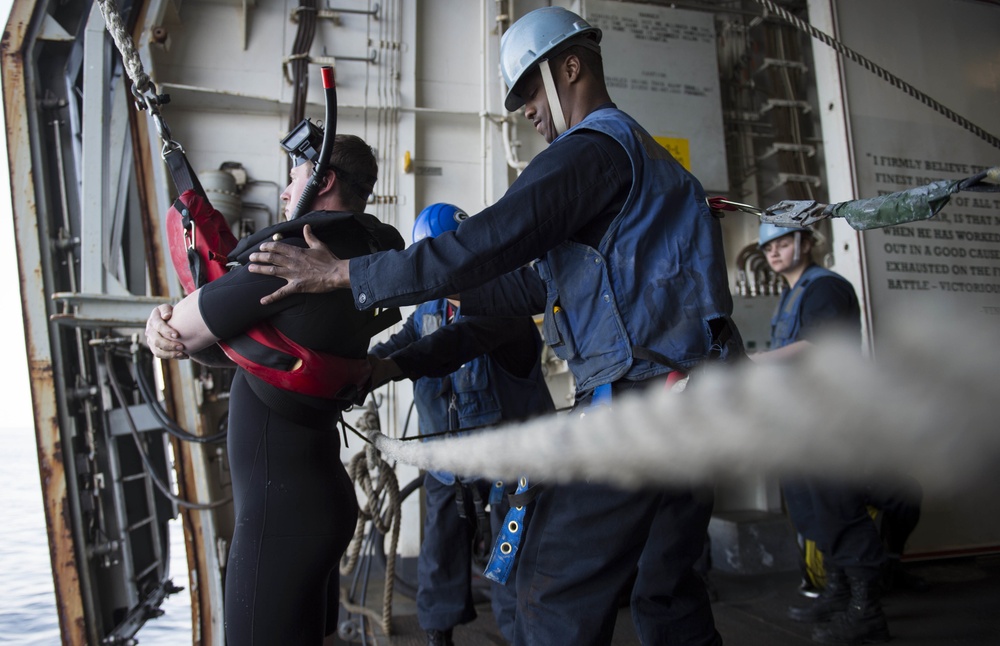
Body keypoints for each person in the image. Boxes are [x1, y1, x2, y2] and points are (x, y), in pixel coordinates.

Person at [242, 7, 743, 645]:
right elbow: (523, 289)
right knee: (665, 589)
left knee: (546, 582)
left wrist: (347, 274)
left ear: (571, 65)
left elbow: (487, 243)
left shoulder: (592, 151)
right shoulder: (639, 163)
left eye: (530, 89)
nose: (526, 110)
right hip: (696, 396)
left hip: (645, 398)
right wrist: (399, 354)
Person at [145, 127, 404, 645]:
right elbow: (258, 353)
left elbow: (185, 332)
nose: (286, 193)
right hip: (321, 501)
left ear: (323, 180)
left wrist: (156, 325)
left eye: (294, 178)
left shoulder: (296, 259)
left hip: (278, 520)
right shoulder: (368, 256)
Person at [368, 202, 555, 646]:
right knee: (441, 547)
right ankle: (437, 632)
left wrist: (390, 368)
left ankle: (519, 634)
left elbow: (457, 343)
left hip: (511, 459)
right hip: (446, 458)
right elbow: (397, 344)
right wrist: (353, 371)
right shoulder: (428, 309)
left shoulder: (504, 303)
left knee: (512, 553)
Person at [751, 222, 892, 645]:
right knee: (813, 509)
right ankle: (839, 591)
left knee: (839, 506)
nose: (774, 253)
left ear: (807, 242)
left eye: (782, 243)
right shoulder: (792, 294)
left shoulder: (825, 288)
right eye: (768, 247)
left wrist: (757, 361)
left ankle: (867, 612)